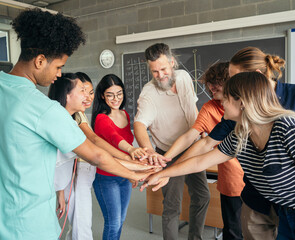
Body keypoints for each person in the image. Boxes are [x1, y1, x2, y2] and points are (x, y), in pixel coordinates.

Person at [0, 8, 151, 240]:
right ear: (40, 60)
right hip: (30, 226)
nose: (59, 75)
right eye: (58, 67)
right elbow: (96, 155)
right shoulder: (44, 108)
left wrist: (134, 163)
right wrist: (140, 174)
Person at [147, 46, 295, 240]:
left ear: (243, 101)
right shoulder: (241, 133)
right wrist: (163, 173)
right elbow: (201, 160)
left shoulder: (289, 128)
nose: (221, 104)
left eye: (226, 98)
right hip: (284, 212)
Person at [50, 73, 154, 240]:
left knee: (89, 223)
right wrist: (133, 167)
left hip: (85, 174)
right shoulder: (65, 121)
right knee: (85, 224)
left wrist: (133, 167)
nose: (87, 96)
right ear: (67, 95)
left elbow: (94, 150)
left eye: (90, 92)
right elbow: (97, 149)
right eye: (82, 91)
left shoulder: (76, 116)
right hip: (93, 176)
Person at [134, 43, 210, 240]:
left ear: (172, 62)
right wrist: (150, 151)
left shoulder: (184, 77)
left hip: (192, 150)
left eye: (164, 69)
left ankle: (195, 238)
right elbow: (140, 125)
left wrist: (202, 135)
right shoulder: (148, 94)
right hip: (167, 155)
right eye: (155, 71)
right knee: (172, 206)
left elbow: (192, 110)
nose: (160, 75)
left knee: (203, 196)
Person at [162, 62, 244, 240]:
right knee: (233, 231)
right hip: (231, 181)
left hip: (256, 181)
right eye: (209, 83)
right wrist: (167, 162)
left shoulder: (248, 108)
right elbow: (194, 138)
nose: (211, 87)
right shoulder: (210, 108)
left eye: (217, 83)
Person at [90, 73, 149, 240]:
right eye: (110, 95)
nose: (115, 98)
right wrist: (132, 150)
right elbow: (117, 139)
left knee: (121, 220)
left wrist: (131, 174)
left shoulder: (125, 114)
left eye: (119, 93)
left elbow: (127, 138)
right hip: (107, 178)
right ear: (102, 95)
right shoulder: (101, 118)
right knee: (113, 222)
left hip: (124, 175)